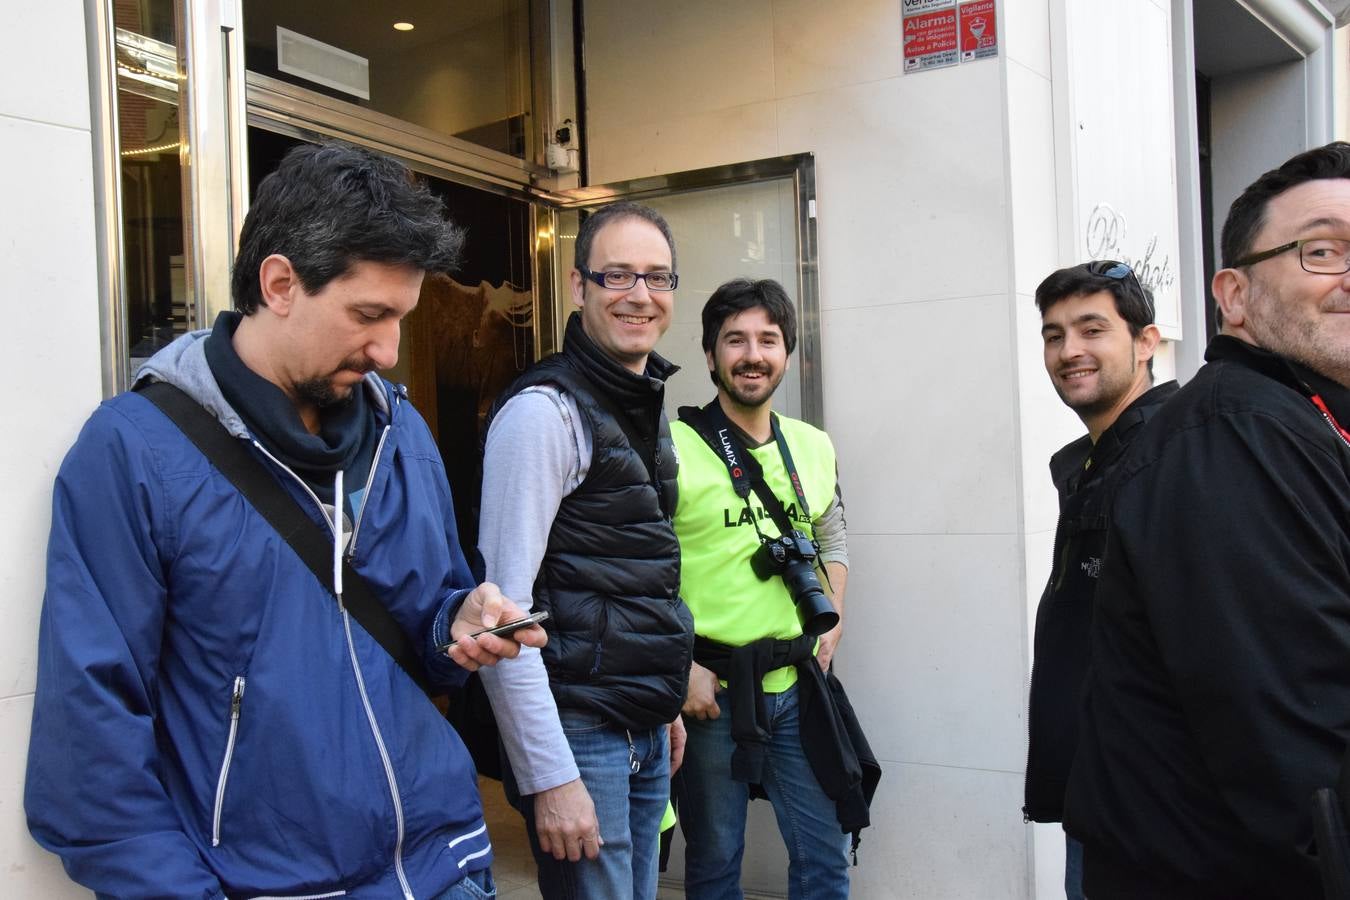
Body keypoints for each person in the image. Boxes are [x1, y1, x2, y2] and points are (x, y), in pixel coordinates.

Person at [24, 142, 546, 899]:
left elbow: (423, 633)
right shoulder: (134, 451)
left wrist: (456, 624)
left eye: (402, 317)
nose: (390, 349)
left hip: (447, 869)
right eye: (368, 314)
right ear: (279, 283)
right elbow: (89, 755)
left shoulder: (404, 433)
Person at [1063, 142, 1350, 898]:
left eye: (1091, 330)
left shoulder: (1305, 422)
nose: (1070, 353)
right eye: (1321, 250)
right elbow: (1298, 749)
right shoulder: (1236, 435)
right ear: (1234, 296)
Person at [476, 200, 694, 899]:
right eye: (618, 276)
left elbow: (642, 570)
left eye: (657, 277)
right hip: (579, 732)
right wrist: (550, 776)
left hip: (642, 726)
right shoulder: (543, 413)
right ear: (578, 286)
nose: (640, 296)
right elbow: (500, 612)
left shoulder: (642, 399)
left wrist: (661, 702)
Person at [671, 278, 866, 900]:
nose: (752, 354)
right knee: (715, 862)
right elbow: (643, 573)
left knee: (825, 853)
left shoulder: (812, 444)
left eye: (767, 339)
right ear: (710, 355)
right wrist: (680, 668)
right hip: (712, 690)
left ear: (787, 354)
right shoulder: (669, 449)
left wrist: (829, 623)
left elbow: (832, 539)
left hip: (796, 684)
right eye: (735, 340)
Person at [1021, 261, 1177, 899]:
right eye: (1055, 335)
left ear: (1146, 343)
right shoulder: (1090, 459)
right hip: (1099, 781)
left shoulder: (1172, 453)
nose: (1070, 351)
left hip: (1151, 800)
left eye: (1092, 329)